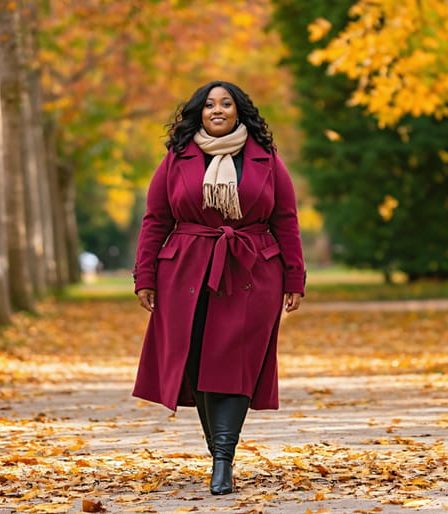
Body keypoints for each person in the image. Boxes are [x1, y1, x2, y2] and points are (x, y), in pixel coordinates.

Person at [132, 80, 306, 495]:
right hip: (186, 271)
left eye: (226, 104)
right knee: (196, 362)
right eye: (209, 104)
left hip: (252, 270)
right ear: (199, 112)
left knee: (235, 361)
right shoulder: (178, 157)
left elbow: (286, 220)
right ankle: (218, 455)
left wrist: (295, 276)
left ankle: (223, 461)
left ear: (239, 112)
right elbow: (156, 218)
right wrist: (145, 276)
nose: (217, 110)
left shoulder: (266, 159)